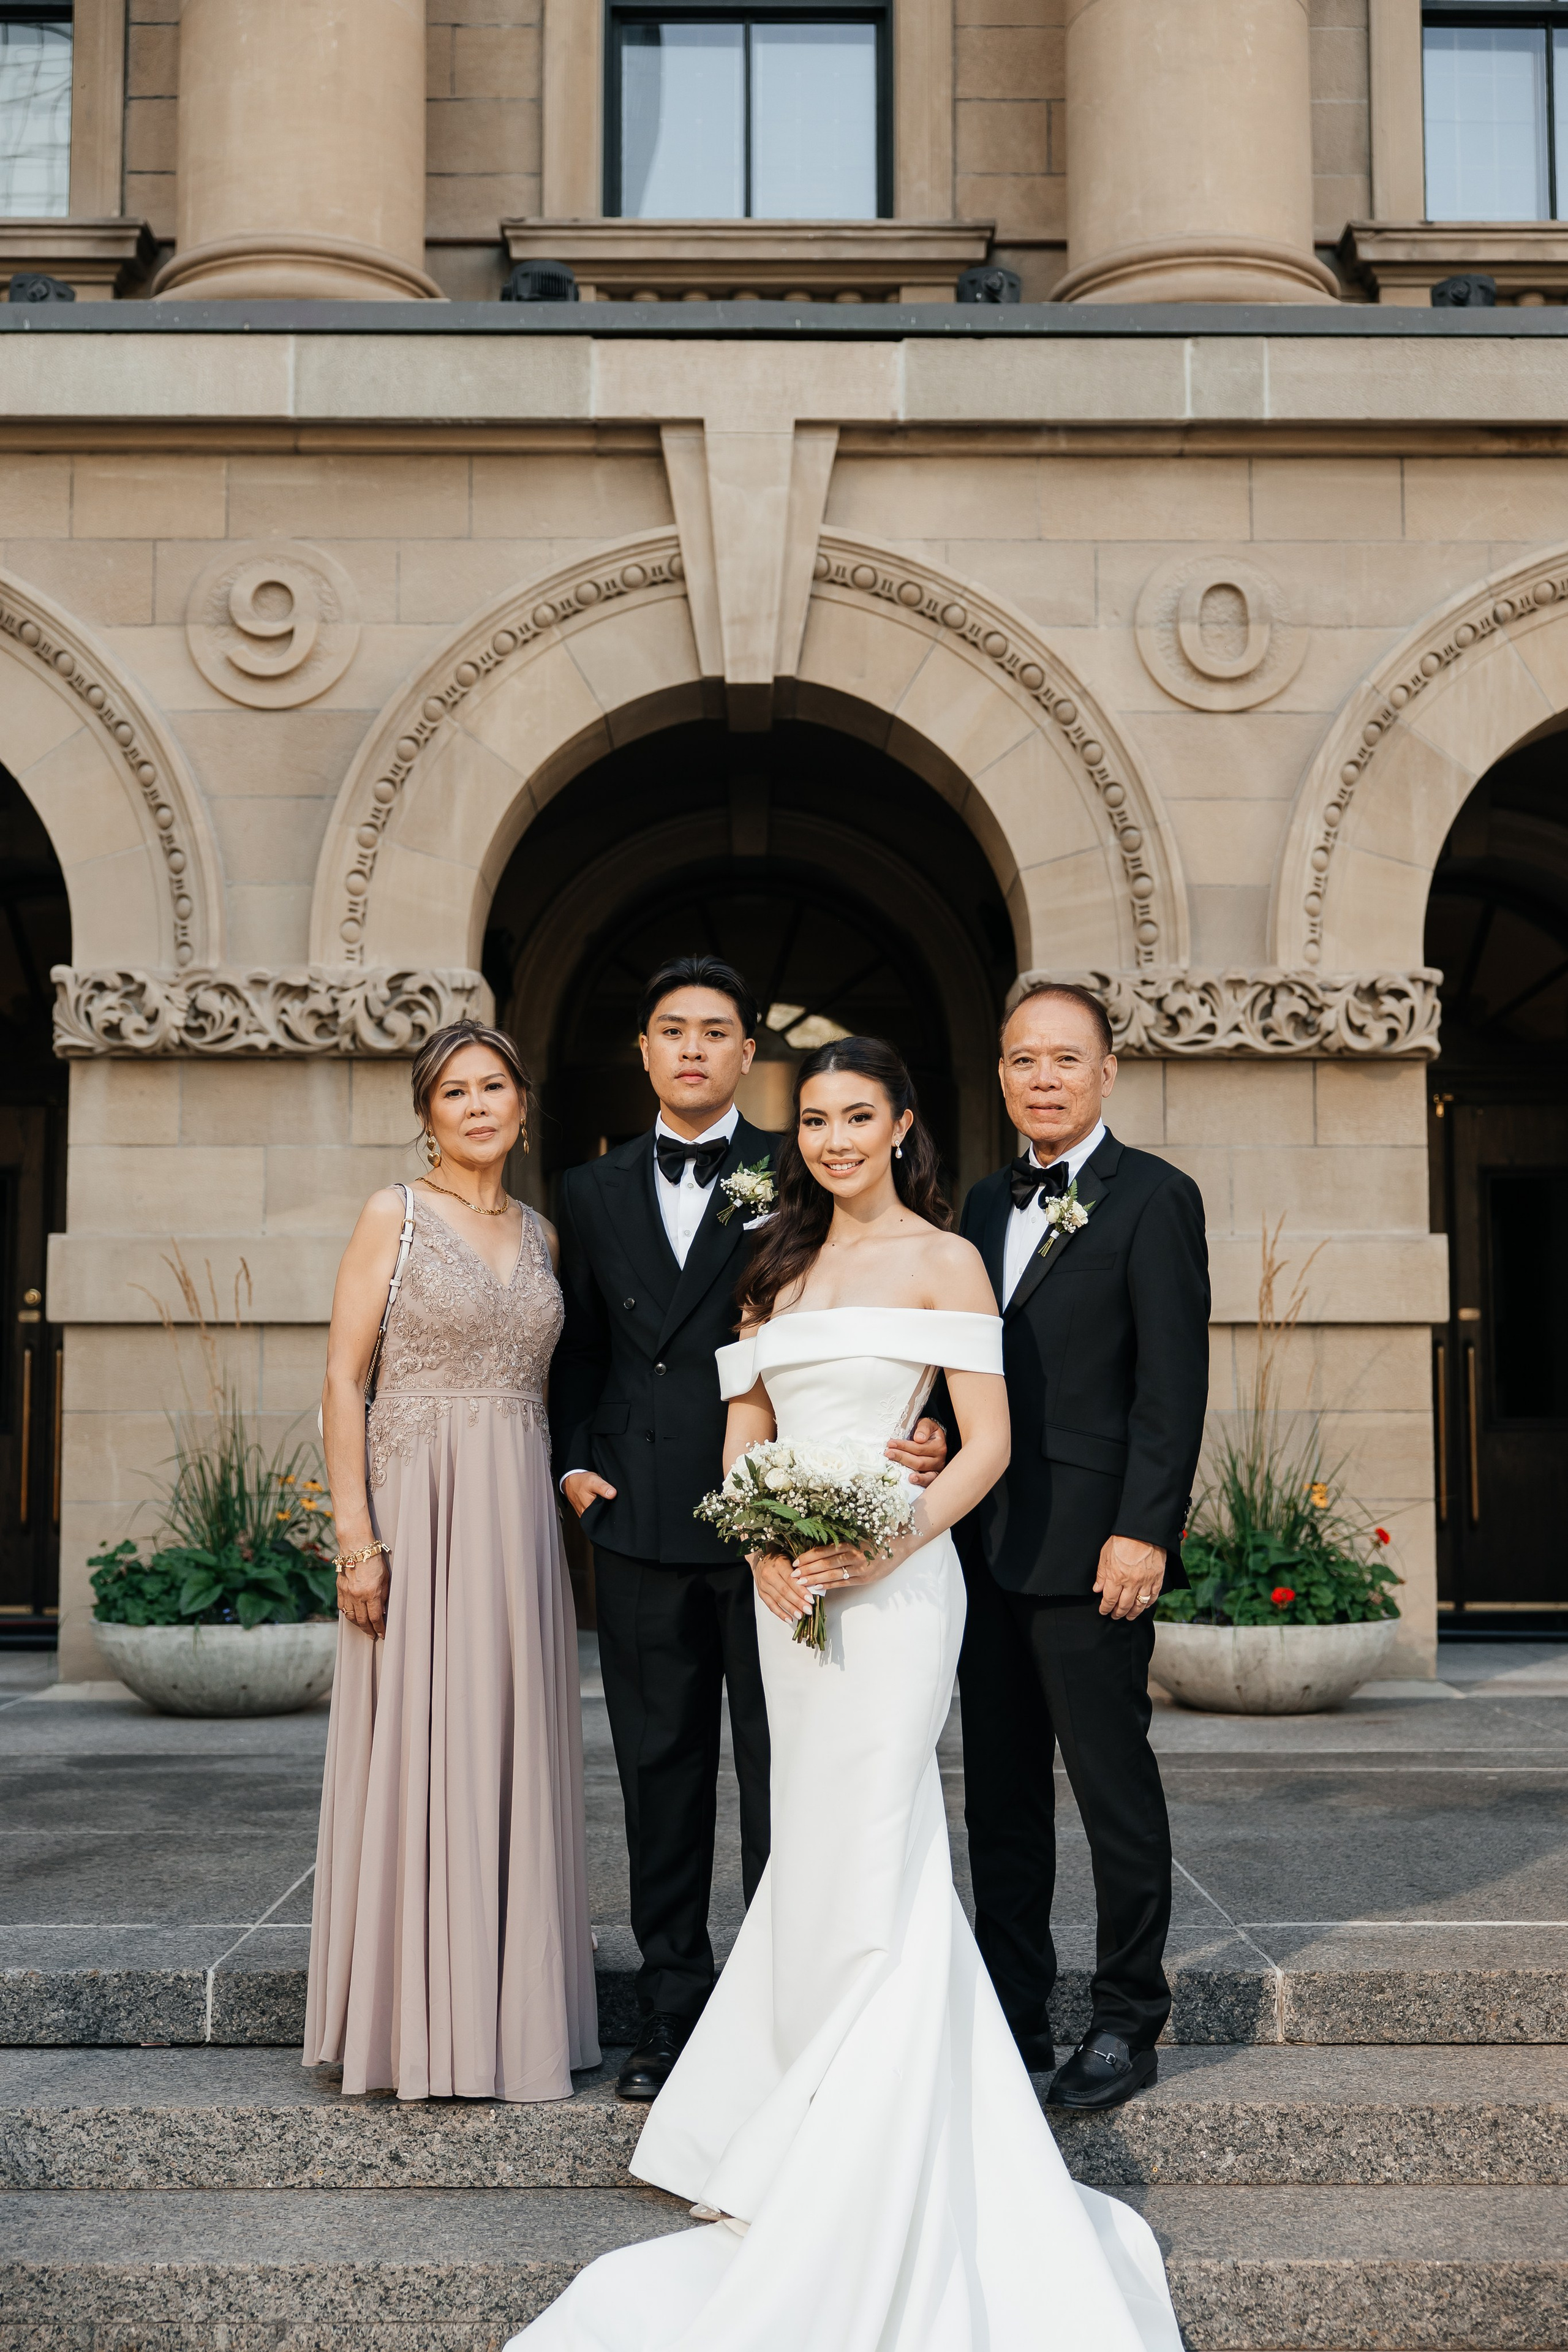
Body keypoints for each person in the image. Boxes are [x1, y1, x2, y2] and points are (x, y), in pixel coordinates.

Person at [506, 1035, 1179, 2352]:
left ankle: (873, 2123)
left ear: (900, 1125)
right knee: (811, 1840)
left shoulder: (947, 1255)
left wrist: (891, 1536)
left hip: (898, 1586)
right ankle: (792, 2101)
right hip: (785, 1591)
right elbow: (743, 1428)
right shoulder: (770, 1260)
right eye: (810, 1118)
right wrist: (761, 1541)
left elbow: (980, 1440)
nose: (828, 1138)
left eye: (853, 1116)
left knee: (875, 1828)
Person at [552, 956, 946, 2099]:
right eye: (670, 1030)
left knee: (790, 1771)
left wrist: (918, 1429)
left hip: (781, 1521)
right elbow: (578, 1346)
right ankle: (671, 2014)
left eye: (714, 1032)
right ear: (644, 1050)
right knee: (658, 1774)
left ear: (745, 1053)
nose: (690, 1049)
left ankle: (787, 2010)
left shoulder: (802, 1171)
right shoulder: (593, 1189)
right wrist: (574, 1461)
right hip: (633, 1514)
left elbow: (873, 1313)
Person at [303, 1020, 597, 2103]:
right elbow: (343, 1381)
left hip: (515, 1514)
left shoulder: (545, 1235)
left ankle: (507, 2014)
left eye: (495, 1087)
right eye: (454, 1092)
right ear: (426, 1114)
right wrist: (357, 1538)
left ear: (523, 1103)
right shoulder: (396, 1214)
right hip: (416, 1506)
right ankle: (411, 2021)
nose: (477, 1106)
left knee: (508, 1744)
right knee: (423, 1744)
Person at [957, 981, 1210, 2111]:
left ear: (1108, 1072)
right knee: (1000, 1797)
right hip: (981, 1546)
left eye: (1065, 1060)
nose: (1043, 1079)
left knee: (1112, 1786)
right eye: (1023, 1060)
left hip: (1097, 1547)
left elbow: (1172, 1387)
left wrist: (1144, 1531)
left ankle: (1127, 2018)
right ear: (1001, 1074)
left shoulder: (1156, 1199)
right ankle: (1014, 2015)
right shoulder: (975, 1204)